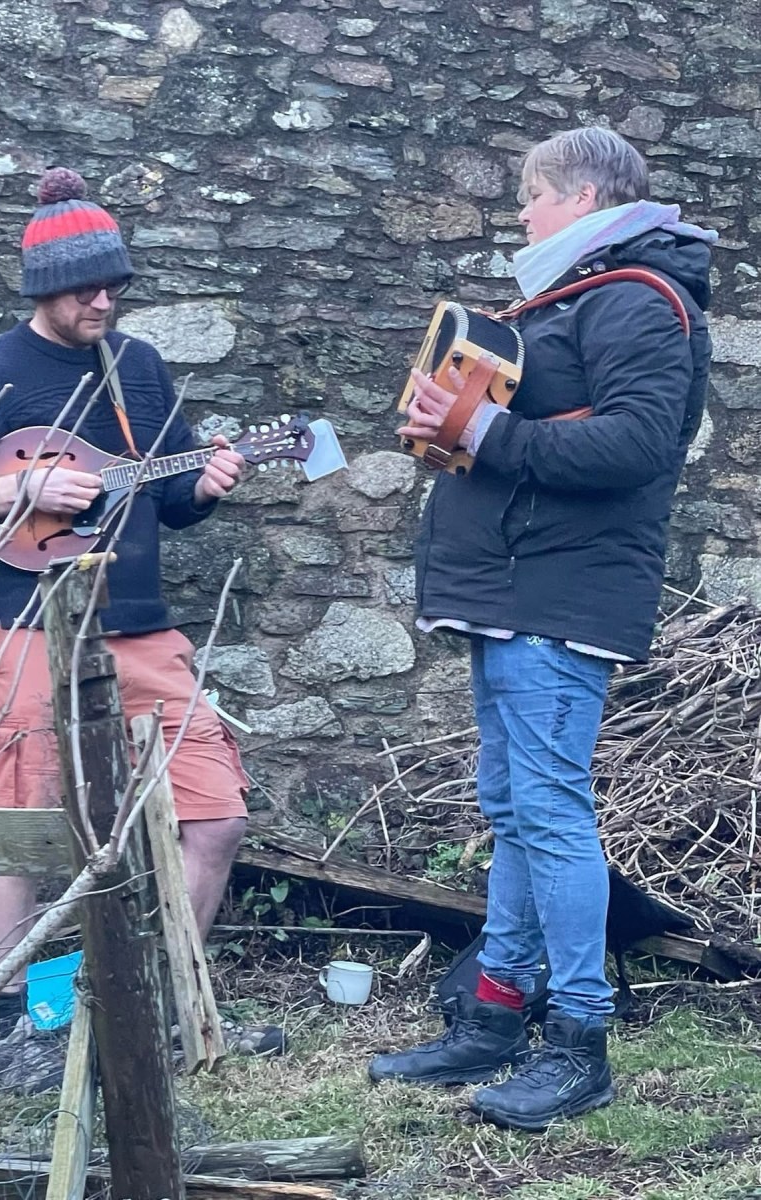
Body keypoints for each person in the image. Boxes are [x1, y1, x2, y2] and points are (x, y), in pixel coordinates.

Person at [0, 167, 282, 1090]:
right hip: (29, 625)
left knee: (217, 817)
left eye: (115, 286)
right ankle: (25, 1026)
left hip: (139, 627)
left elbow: (163, 497)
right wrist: (13, 489)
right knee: (20, 829)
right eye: (84, 289)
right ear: (41, 290)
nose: (102, 302)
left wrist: (206, 485)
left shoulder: (137, 367)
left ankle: (162, 1000)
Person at [368, 128, 714, 1130]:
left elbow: (642, 441)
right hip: (517, 588)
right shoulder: (590, 296)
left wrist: (480, 431)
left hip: (559, 597)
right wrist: (451, 422)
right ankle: (495, 1016)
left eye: (534, 196)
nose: (522, 213)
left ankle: (580, 1045)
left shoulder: (638, 300)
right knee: (519, 809)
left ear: (588, 196)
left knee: (552, 815)